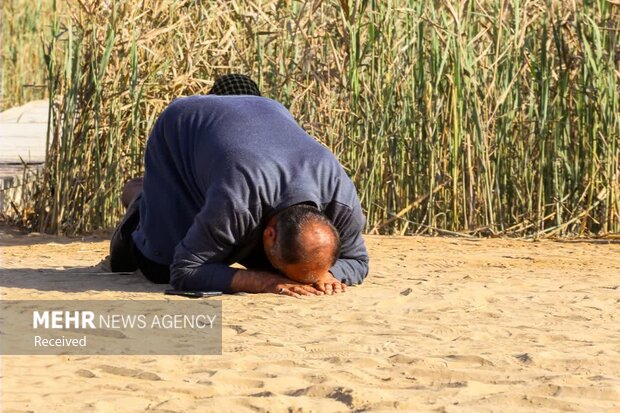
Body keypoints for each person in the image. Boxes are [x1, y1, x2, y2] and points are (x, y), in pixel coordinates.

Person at [110, 74, 369, 297]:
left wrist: (329, 274)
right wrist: (266, 281)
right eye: (299, 278)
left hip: (265, 113)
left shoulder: (341, 200)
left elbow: (357, 260)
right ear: (269, 234)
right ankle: (142, 198)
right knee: (160, 267)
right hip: (182, 129)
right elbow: (185, 270)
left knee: (234, 257)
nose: (304, 285)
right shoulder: (237, 201)